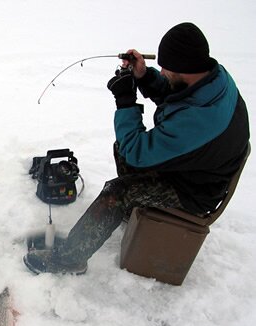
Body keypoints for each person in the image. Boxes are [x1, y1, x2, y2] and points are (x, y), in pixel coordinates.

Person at [24, 22, 250, 275]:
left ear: (183, 68)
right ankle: (128, 211)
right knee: (123, 147)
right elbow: (177, 94)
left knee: (118, 191)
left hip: (193, 191)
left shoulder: (200, 120)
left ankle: (68, 260)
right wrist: (144, 76)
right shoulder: (212, 79)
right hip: (198, 169)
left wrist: (125, 102)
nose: (161, 70)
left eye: (165, 67)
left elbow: (137, 152)